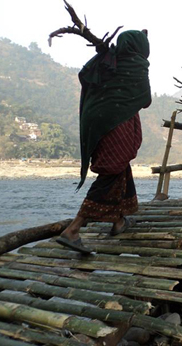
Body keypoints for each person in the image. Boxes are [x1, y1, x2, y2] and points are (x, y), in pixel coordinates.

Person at [56, 30, 151, 254]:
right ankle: (73, 229)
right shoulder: (135, 63)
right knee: (111, 171)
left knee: (118, 164)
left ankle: (118, 222)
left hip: (95, 121)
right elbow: (145, 99)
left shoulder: (108, 60)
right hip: (114, 123)